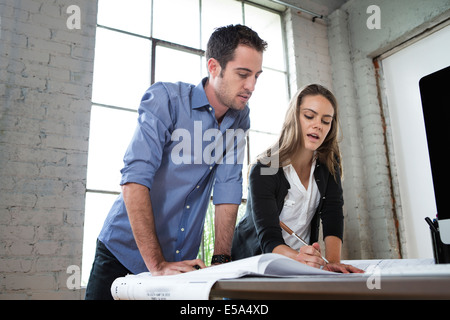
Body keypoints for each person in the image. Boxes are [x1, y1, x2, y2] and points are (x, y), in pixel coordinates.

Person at [85, 24, 268, 299]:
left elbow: (228, 188)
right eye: (243, 74)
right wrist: (156, 265)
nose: (251, 86)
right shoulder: (166, 100)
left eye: (256, 76)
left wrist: (220, 261)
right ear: (214, 67)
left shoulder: (240, 117)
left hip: (179, 263)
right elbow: (134, 180)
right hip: (123, 253)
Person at [231, 84, 363, 273]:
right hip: (254, 264)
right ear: (294, 117)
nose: (318, 125)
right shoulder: (265, 168)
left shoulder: (328, 163)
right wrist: (299, 258)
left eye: (326, 121)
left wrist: (333, 261)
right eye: (309, 116)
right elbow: (269, 238)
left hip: (299, 266)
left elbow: (332, 212)